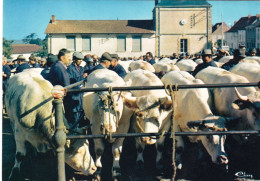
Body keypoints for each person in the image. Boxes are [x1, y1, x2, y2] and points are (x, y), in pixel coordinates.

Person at [48, 48, 74, 124]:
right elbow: (65, 83)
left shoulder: (58, 65)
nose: (70, 59)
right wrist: (70, 93)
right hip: (62, 96)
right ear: (62, 58)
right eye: (68, 57)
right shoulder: (59, 67)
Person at [67, 52, 87, 128]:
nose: (81, 61)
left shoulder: (81, 68)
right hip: (75, 94)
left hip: (81, 94)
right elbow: (71, 80)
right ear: (74, 59)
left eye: (81, 60)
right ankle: (76, 130)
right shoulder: (70, 68)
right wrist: (81, 76)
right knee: (75, 113)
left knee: (82, 112)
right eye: (79, 60)